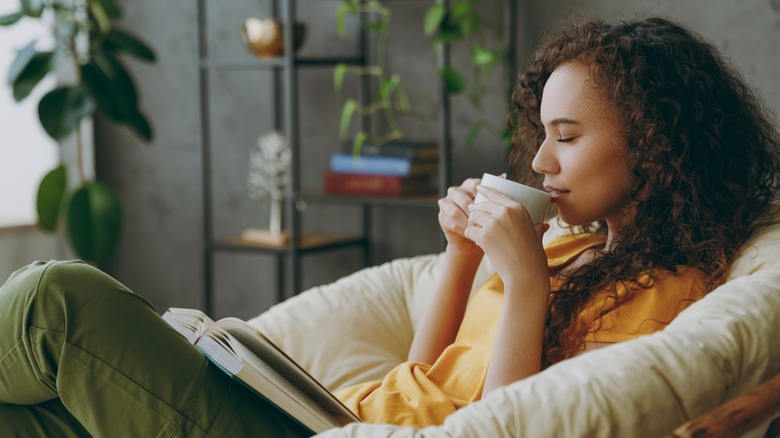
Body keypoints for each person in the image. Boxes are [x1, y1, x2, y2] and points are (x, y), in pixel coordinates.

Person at [1, 16, 778, 437]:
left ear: (655, 145)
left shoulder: (661, 291)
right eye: (541, 133)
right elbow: (422, 372)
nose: (540, 160)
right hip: (339, 416)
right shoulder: (574, 245)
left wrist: (528, 285)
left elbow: (511, 427)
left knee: (55, 299)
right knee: (28, 415)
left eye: (567, 137)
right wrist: (463, 258)